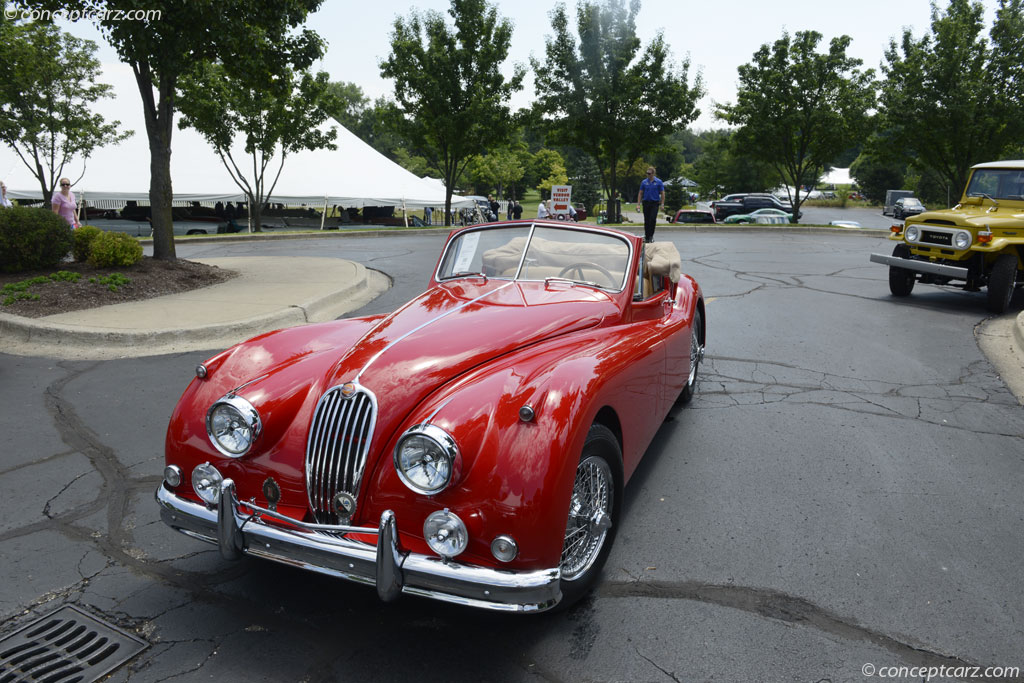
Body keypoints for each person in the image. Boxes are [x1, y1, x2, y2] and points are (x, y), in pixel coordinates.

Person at [636, 166, 665, 242]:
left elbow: (662, 193)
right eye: (647, 173)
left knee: (652, 219)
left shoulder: (658, 182)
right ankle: (647, 236)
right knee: (647, 220)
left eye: (649, 173)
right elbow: (640, 193)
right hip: (646, 203)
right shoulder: (644, 182)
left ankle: (651, 236)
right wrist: (638, 204)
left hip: (654, 203)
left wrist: (662, 204)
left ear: (653, 174)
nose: (648, 175)